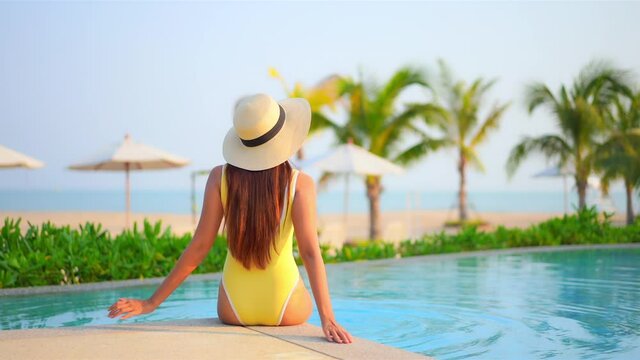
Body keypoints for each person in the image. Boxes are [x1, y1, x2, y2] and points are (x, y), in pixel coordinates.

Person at [107, 93, 353, 344]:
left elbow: (199, 247)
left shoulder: (219, 178)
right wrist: (328, 318)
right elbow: (310, 252)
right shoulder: (300, 184)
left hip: (233, 308)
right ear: (284, 136)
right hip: (286, 306)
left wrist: (151, 302)